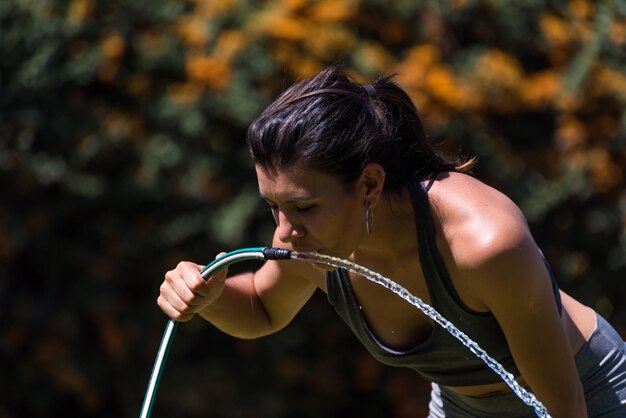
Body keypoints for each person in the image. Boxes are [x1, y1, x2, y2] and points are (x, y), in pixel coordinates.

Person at [157, 65, 626, 417]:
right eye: (272, 206)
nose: (283, 231)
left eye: (303, 207)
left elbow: (562, 407)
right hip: (461, 407)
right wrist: (209, 297)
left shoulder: (484, 244)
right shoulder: (314, 243)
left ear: (369, 185)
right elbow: (262, 306)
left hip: (589, 395)